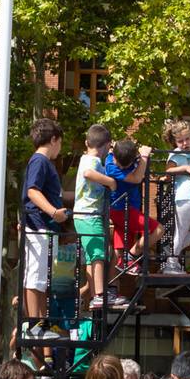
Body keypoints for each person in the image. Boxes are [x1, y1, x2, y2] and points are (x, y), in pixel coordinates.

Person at [20, 120, 69, 323]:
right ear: (54, 139)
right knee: (35, 277)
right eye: (60, 143)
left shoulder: (42, 162)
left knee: (41, 279)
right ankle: (34, 323)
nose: (60, 148)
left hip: (43, 226)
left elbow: (55, 193)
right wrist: (54, 212)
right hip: (38, 224)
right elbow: (32, 191)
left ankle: (39, 322)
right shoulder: (40, 161)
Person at [72, 123, 117, 309]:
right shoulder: (94, 162)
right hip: (90, 215)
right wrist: (111, 182)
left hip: (83, 216)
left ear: (86, 142)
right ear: (106, 145)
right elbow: (88, 174)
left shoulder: (84, 158)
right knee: (99, 254)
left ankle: (93, 295)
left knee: (92, 256)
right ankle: (99, 294)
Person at [160, 119, 190, 273]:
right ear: (175, 142)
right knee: (182, 230)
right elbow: (168, 171)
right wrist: (185, 167)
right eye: (180, 141)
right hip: (184, 195)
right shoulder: (177, 153)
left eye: (187, 139)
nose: (184, 143)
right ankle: (171, 263)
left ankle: (171, 252)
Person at [103, 137, 149, 286]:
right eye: (119, 164)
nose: (121, 168)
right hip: (121, 210)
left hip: (130, 209)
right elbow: (136, 179)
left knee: (118, 252)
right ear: (114, 155)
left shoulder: (127, 157)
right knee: (155, 229)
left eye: (126, 165)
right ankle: (130, 257)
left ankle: (111, 289)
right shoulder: (110, 164)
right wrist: (144, 157)